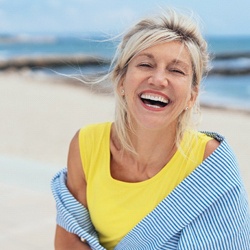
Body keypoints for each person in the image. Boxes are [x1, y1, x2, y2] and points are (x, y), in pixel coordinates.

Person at [51, 8, 250, 250]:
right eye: (146, 64)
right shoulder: (86, 144)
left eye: (176, 70)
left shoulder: (209, 161)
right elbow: (69, 237)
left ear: (192, 95)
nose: (158, 79)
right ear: (121, 80)